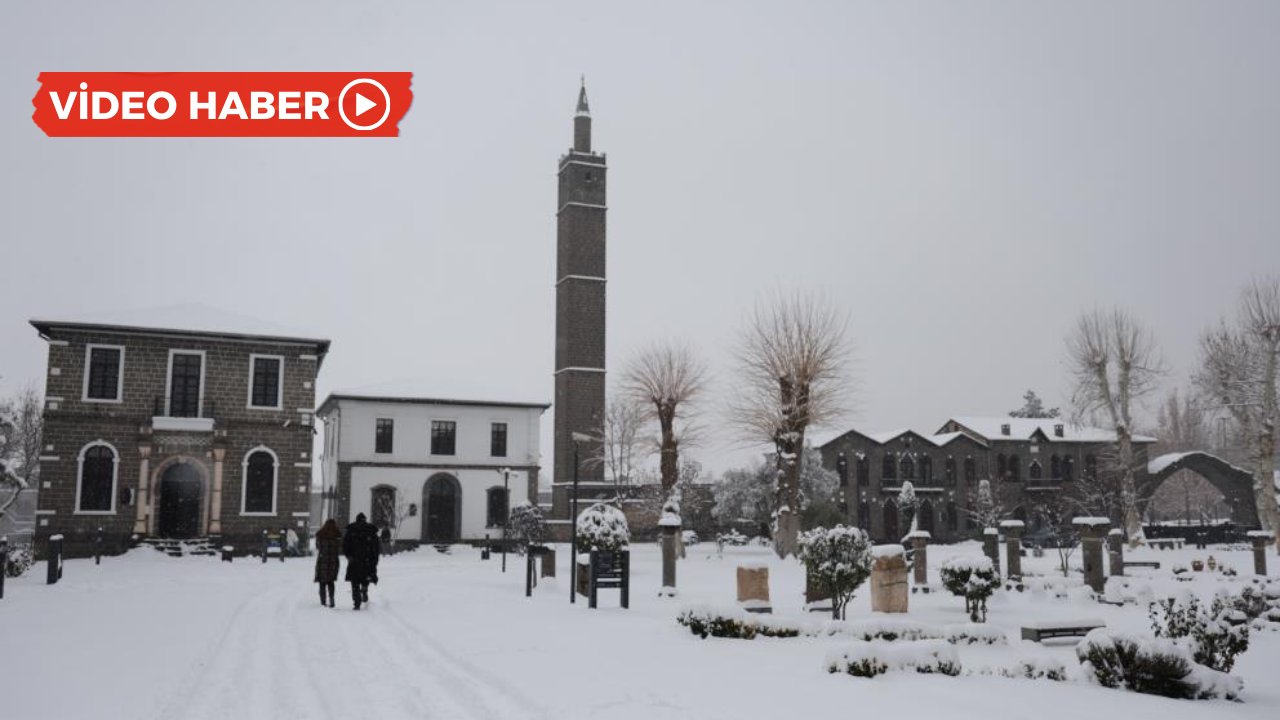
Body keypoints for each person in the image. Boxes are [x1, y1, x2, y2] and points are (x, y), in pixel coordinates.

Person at [343, 512, 381, 610]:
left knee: (355, 581)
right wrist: (374, 559)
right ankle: (364, 589)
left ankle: (356, 602)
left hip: (354, 560)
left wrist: (349, 556)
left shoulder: (351, 530)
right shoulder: (371, 530)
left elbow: (345, 545)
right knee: (365, 577)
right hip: (367, 560)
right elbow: (376, 547)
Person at [313, 519, 341, 607]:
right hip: (333, 560)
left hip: (323, 560)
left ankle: (323, 600)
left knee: (322, 581)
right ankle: (331, 599)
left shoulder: (321, 534)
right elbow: (340, 547)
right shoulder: (337, 535)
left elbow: (318, 546)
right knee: (331, 581)